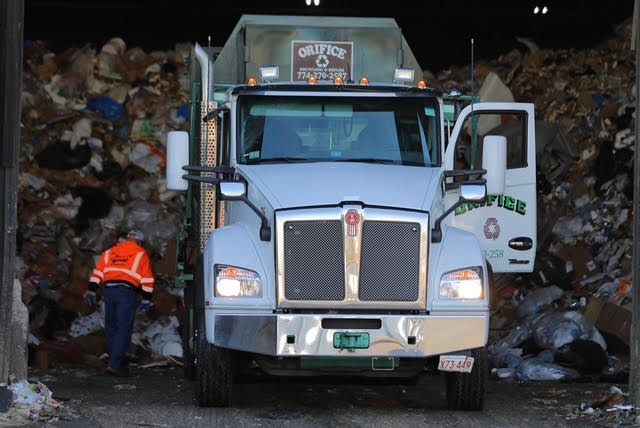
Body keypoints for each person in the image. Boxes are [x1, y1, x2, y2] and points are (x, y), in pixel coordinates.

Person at [84, 229, 155, 376]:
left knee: (111, 327)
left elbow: (97, 272)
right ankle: (114, 365)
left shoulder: (110, 252)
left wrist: (91, 290)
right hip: (126, 293)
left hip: (108, 292)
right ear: (139, 242)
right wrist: (147, 299)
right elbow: (147, 279)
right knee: (123, 329)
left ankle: (113, 360)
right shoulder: (141, 253)